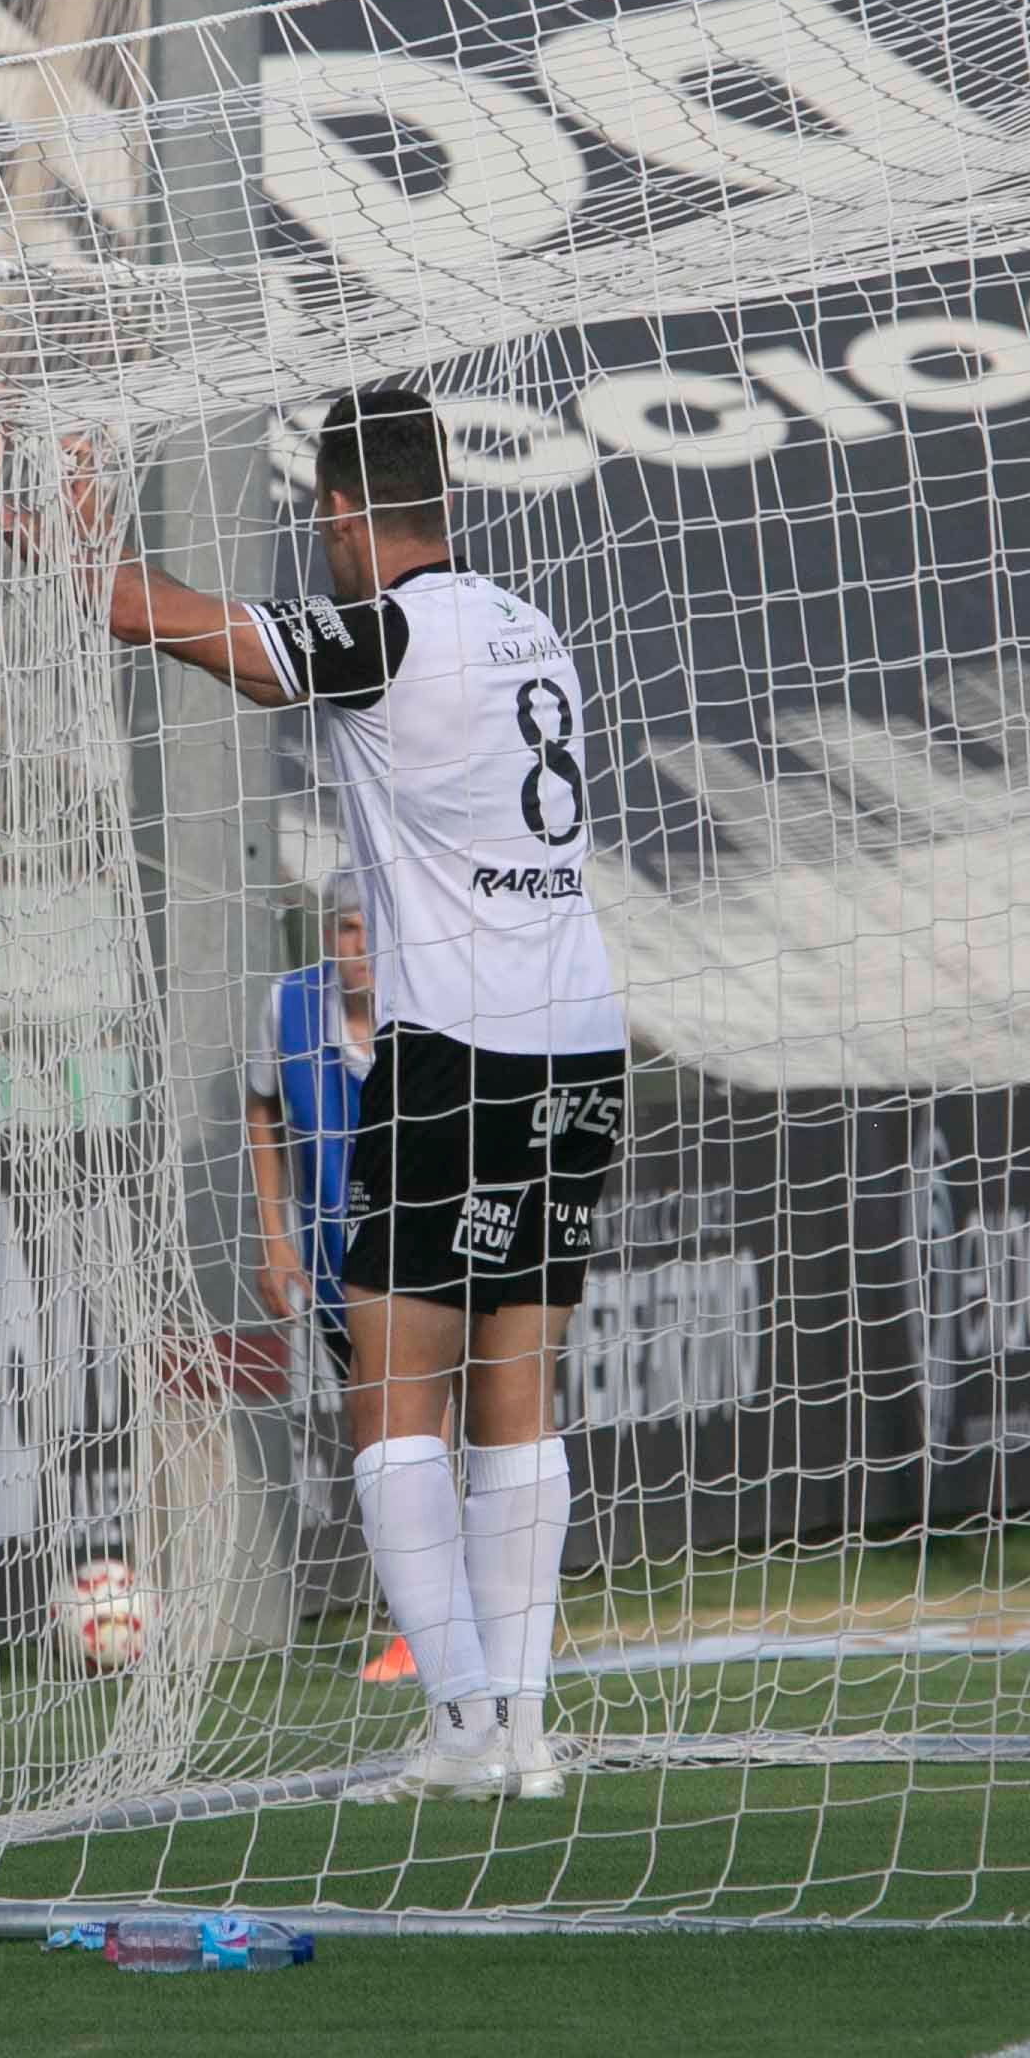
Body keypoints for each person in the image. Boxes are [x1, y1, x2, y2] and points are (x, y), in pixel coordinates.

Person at [84, 384, 627, 1802]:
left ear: (337, 513)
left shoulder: (384, 630)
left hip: (453, 1048)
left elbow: (164, 624)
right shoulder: (528, 626)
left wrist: (54, 527)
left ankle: (460, 1721)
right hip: (578, 1036)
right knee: (521, 1386)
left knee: (392, 1398)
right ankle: (521, 1724)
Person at [246, 874, 414, 1682]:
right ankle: (421, 1617)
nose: (362, 949)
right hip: (336, 1260)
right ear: (328, 937)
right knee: (377, 1434)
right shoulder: (287, 1006)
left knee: (418, 1429)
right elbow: (262, 1109)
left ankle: (434, 1621)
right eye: (349, 929)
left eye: (374, 930)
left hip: (432, 1252)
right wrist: (275, 1239)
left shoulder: (434, 1000)